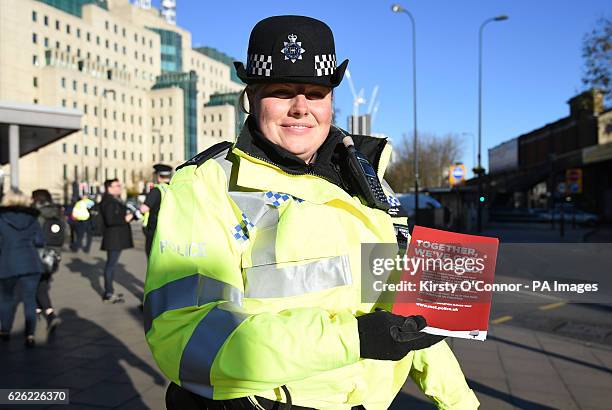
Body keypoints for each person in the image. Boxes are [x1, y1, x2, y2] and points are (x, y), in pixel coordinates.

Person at [145, 16, 479, 410]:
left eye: (316, 93)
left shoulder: (370, 186)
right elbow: (182, 337)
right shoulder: (204, 187)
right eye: (283, 91)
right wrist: (354, 338)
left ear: (331, 101)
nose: (301, 108)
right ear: (251, 98)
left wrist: (459, 400)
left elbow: (405, 312)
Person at [0, 191, 45, 347]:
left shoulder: (1, 218)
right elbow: (39, 241)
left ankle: (5, 330)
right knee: (30, 300)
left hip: (7, 262)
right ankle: (30, 335)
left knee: (6, 298)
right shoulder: (32, 219)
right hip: (31, 263)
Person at [31, 189, 64, 332]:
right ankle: (38, 309)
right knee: (42, 282)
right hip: (53, 255)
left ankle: (49, 313)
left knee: (39, 285)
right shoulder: (57, 212)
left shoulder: (35, 214)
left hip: (37, 254)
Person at [99, 179, 133, 303]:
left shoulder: (113, 200)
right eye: (117, 186)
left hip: (115, 238)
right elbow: (110, 220)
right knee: (111, 266)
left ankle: (109, 292)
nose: (119, 187)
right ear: (109, 188)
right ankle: (108, 293)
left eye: (120, 185)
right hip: (113, 238)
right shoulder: (109, 201)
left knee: (111, 265)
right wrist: (126, 219)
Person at [140, 163, 172, 257]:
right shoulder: (172, 189)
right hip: (170, 229)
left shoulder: (156, 190)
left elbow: (144, 209)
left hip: (155, 230)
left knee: (153, 259)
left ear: (158, 176)